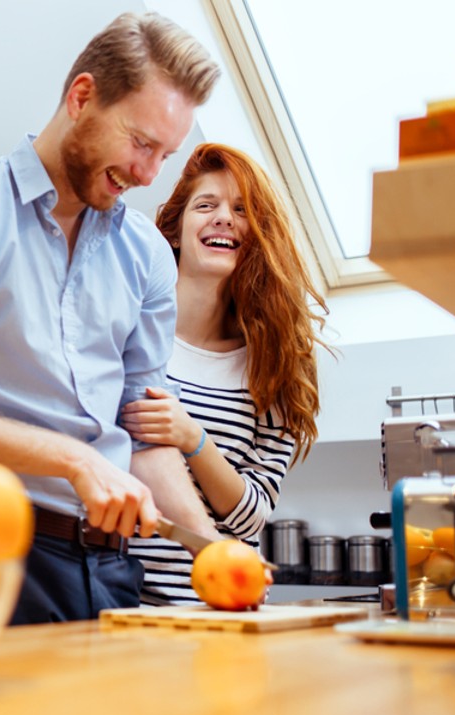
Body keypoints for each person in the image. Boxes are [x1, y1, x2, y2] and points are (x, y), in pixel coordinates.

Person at [0, 13, 222, 624]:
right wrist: (76, 459)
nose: (147, 175)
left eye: (164, 155)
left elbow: (142, 435)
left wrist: (213, 549)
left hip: (111, 571)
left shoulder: (144, 256)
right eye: (141, 143)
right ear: (81, 97)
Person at [119, 143, 330, 605]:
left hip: (225, 607)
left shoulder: (273, 365)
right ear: (174, 230)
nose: (224, 218)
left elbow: (251, 518)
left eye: (241, 210)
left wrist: (192, 438)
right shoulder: (126, 332)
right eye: (206, 205)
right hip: (125, 603)